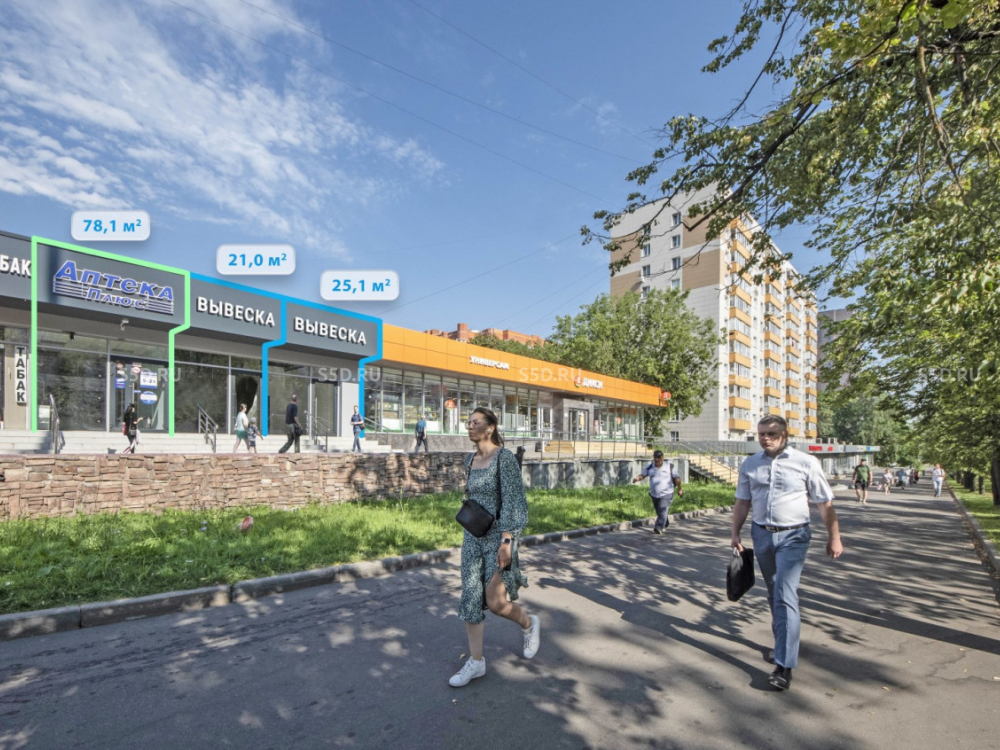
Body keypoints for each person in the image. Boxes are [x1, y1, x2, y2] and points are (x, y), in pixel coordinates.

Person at [731, 415, 843, 692]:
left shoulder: (806, 462)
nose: (765, 438)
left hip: (794, 536)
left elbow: (824, 503)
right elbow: (742, 502)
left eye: (771, 433)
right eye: (761, 434)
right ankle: (783, 644)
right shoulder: (750, 464)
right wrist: (735, 533)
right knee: (774, 592)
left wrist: (835, 537)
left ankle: (783, 666)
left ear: (784, 435)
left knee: (784, 592)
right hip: (762, 534)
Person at [449, 407, 539, 688]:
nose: (469, 426)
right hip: (473, 537)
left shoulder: (504, 458)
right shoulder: (469, 459)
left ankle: (529, 624)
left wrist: (507, 541)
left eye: (475, 423)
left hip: (500, 538)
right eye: (468, 422)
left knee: (497, 602)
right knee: (470, 598)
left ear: (490, 428)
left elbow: (514, 501)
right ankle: (476, 662)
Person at [632, 449, 683, 534]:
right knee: (660, 511)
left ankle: (658, 527)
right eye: (655, 457)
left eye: (658, 457)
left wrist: (680, 489)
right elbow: (643, 474)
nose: (656, 459)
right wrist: (637, 478)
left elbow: (677, 479)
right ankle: (665, 522)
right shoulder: (650, 467)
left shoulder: (669, 466)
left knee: (662, 508)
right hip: (654, 494)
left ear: (662, 458)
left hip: (667, 494)